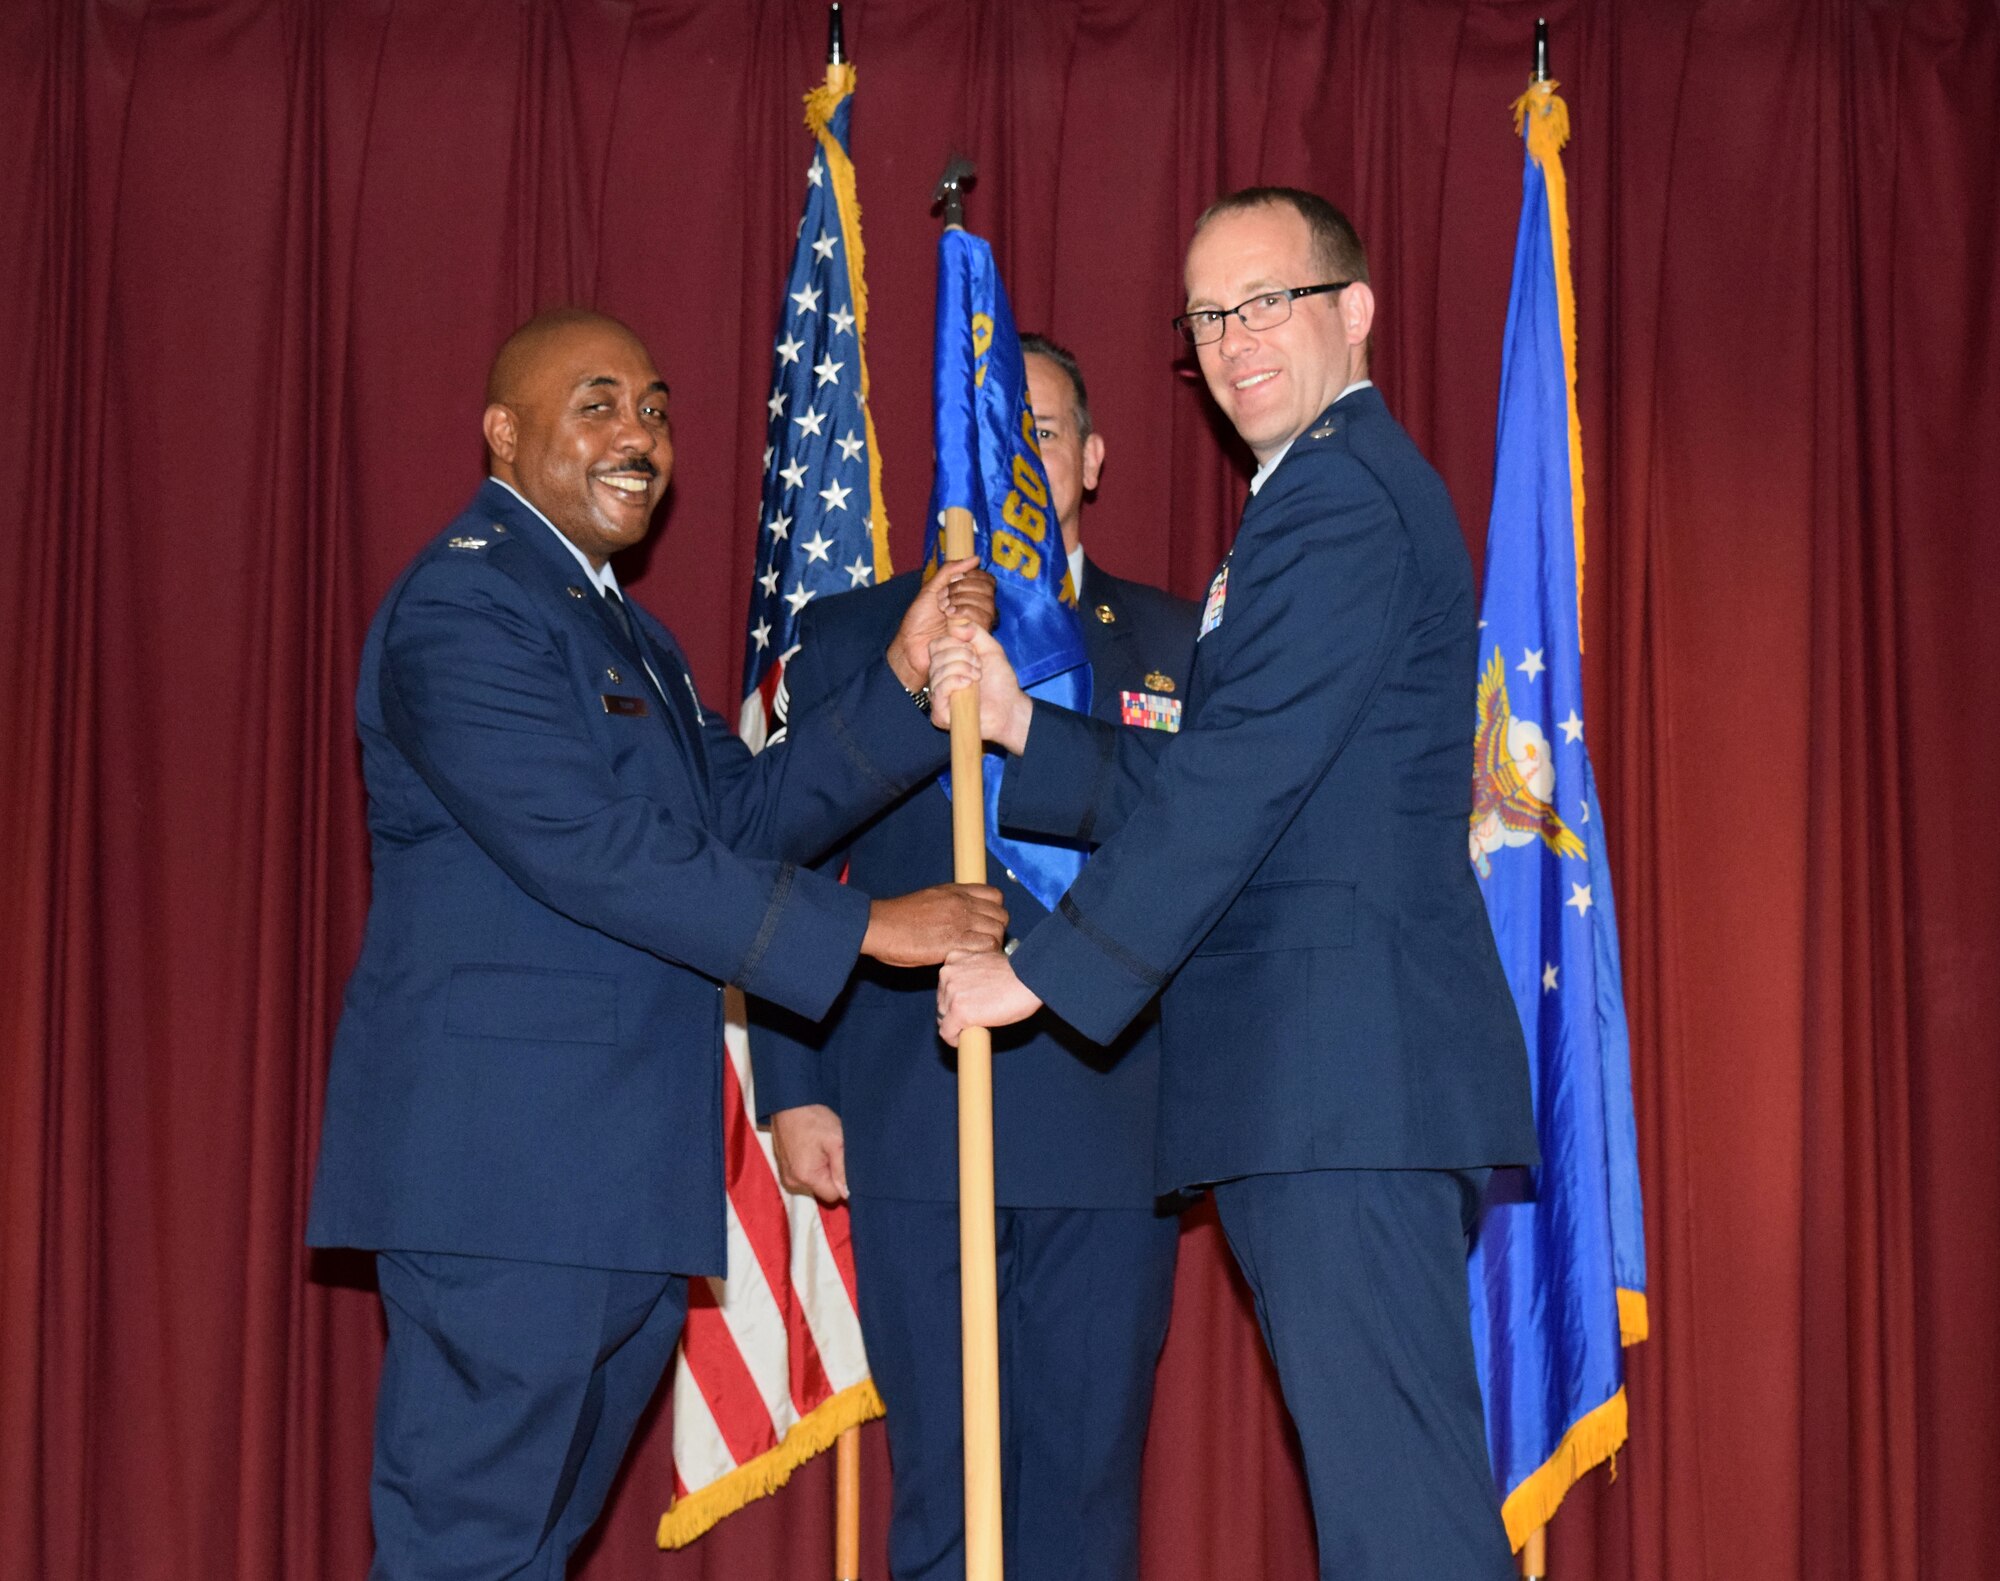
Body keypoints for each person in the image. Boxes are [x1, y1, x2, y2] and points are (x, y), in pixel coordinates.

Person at [305, 307, 1013, 1581]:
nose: (638, 434)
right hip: (504, 1180)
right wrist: (867, 932)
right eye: (596, 404)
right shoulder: (466, 605)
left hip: (615, 1179)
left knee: (525, 1553)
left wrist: (901, 684)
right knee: (468, 1548)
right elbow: (590, 845)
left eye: (655, 407)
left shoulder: (625, 629)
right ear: (504, 435)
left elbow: (734, 816)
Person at [930, 191, 1540, 1580]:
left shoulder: (1336, 497)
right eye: (1208, 315)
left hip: (1346, 1091)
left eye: (1268, 300)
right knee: (1392, 1515)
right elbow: (1253, 779)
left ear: (1356, 308)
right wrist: (1033, 732)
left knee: (1407, 1529)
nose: (1236, 338)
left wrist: (1040, 966)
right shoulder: (1318, 497)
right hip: (1326, 1094)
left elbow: (1236, 782)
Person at [754, 335, 1199, 1581]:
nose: (1019, 463)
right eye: (995, 439)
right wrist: (791, 1083)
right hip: (911, 1102)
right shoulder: (853, 633)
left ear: (1093, 460)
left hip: (1115, 1118)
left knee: (1081, 1488)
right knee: (948, 1492)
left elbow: (1203, 859)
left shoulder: (1171, 643)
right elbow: (781, 848)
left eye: (1045, 434)